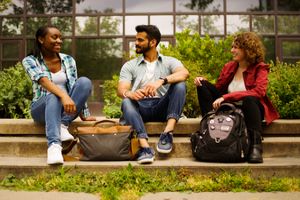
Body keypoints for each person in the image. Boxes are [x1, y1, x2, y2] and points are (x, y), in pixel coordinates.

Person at [194, 32, 279, 163]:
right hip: (230, 109)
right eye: (232, 47)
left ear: (247, 49)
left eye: (235, 47)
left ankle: (256, 145)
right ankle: (210, 129)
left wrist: (227, 97)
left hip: (251, 110)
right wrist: (204, 82)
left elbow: (259, 92)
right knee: (202, 85)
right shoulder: (229, 67)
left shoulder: (260, 68)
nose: (231, 50)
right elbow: (219, 89)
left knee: (249, 99)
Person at [22, 25, 96, 165]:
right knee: (53, 94)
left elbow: (75, 84)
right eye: (54, 37)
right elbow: (43, 80)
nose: (59, 41)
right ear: (41, 39)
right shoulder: (30, 60)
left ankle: (62, 124)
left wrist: (84, 114)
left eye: (60, 38)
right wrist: (63, 95)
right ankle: (54, 146)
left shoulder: (68, 60)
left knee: (84, 82)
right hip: (42, 108)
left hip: (67, 109)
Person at [117, 25, 189, 164]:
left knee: (180, 84)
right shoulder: (130, 65)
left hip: (162, 107)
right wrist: (130, 93)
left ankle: (167, 133)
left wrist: (161, 81)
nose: (136, 43)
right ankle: (144, 147)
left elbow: (184, 73)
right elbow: (121, 90)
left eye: (140, 40)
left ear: (153, 42)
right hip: (140, 108)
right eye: (136, 39)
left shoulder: (169, 61)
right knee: (126, 101)